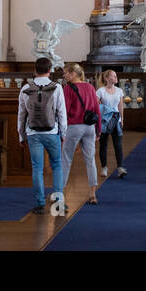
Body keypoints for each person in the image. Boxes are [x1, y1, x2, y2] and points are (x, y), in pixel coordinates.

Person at [18, 57, 68, 215]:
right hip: (52, 132)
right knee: (57, 166)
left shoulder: (26, 88)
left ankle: (40, 203)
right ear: (50, 70)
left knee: (37, 168)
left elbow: (21, 114)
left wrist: (21, 135)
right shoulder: (57, 87)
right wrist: (64, 134)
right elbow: (62, 113)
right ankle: (59, 203)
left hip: (33, 133)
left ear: (34, 70)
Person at [60, 62, 101, 205]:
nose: (64, 75)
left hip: (74, 126)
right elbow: (97, 108)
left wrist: (61, 131)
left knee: (66, 159)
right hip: (90, 127)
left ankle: (60, 193)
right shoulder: (90, 87)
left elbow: (64, 110)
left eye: (66, 73)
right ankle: (92, 193)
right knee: (90, 160)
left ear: (73, 74)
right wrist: (98, 129)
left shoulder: (67, 88)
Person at [97, 69, 127, 178]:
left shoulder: (119, 91)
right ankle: (104, 167)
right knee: (103, 145)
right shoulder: (100, 91)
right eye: (113, 76)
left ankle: (120, 168)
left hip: (116, 120)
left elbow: (120, 106)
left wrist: (122, 119)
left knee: (118, 145)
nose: (116, 77)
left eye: (116, 75)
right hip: (105, 121)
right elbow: (97, 107)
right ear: (106, 78)